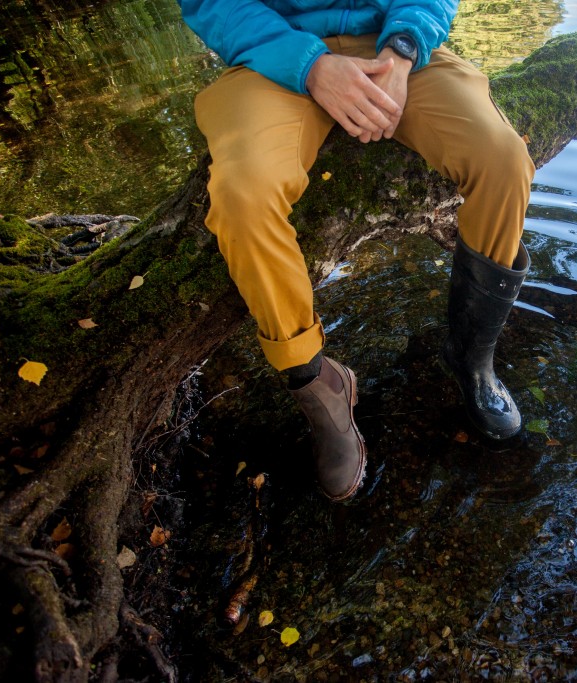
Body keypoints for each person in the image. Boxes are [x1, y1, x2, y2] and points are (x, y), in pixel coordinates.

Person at [180, 0, 534, 502]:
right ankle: (318, 386)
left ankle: (473, 359)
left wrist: (404, 49)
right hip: (272, 58)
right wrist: (311, 66)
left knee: (503, 160)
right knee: (243, 196)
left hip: (393, 49)